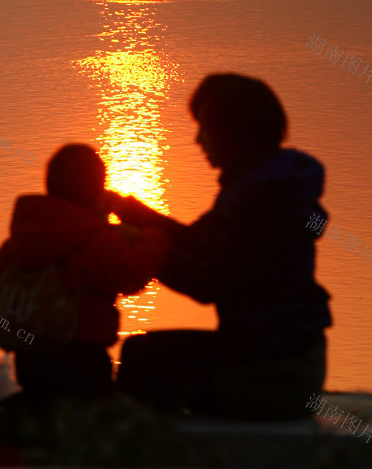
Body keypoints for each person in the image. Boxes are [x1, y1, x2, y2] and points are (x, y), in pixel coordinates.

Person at [112, 74, 332, 420]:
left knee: (145, 362)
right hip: (282, 358)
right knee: (144, 354)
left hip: (275, 374)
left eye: (205, 127)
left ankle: (133, 445)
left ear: (233, 131)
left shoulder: (262, 201)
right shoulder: (257, 184)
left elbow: (208, 285)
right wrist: (124, 208)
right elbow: (197, 240)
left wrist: (145, 247)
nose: (197, 139)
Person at [0, 143, 171, 406]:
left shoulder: (13, 246)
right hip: (83, 364)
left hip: (28, 365)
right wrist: (156, 236)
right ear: (97, 192)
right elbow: (134, 272)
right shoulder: (94, 241)